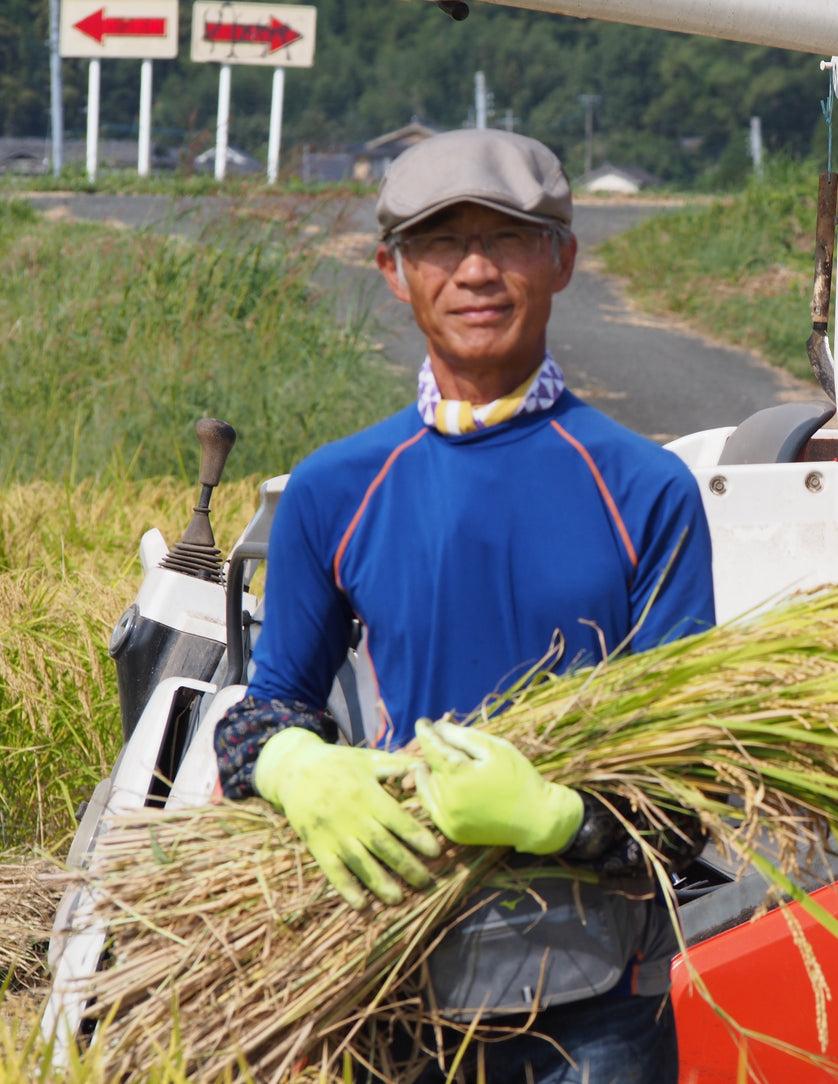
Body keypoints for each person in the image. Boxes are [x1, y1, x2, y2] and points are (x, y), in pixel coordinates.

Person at [213, 128, 716, 1084]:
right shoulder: (337, 487)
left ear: (562, 259)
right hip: (396, 972)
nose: (476, 270)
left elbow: (691, 786)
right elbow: (268, 707)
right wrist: (293, 767)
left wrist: (555, 819)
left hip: (601, 995)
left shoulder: (644, 488)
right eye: (442, 245)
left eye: (510, 239)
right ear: (393, 273)